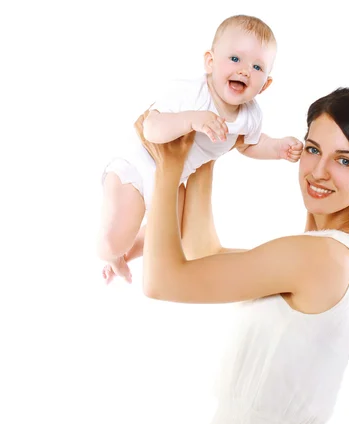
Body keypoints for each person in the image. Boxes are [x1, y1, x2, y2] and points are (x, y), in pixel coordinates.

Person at [137, 87, 349, 424]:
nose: (318, 171)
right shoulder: (340, 255)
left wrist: (169, 167)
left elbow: (161, 282)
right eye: (313, 149)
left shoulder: (324, 256)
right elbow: (204, 253)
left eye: (344, 160)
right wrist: (205, 151)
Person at [97, 15, 303, 283]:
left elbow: (250, 145)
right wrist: (191, 119)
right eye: (235, 59)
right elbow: (151, 127)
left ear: (266, 84)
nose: (244, 71)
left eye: (256, 66)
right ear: (210, 61)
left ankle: (126, 258)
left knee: (174, 231)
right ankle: (112, 254)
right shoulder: (191, 92)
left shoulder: (250, 117)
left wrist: (277, 148)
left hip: (172, 181)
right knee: (112, 241)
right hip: (137, 165)